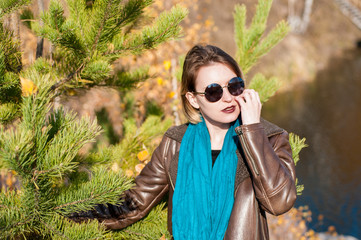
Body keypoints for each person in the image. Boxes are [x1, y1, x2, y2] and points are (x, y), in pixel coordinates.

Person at [70, 44, 297, 240]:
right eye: (214, 91)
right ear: (193, 99)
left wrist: (252, 132)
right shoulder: (175, 144)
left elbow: (280, 202)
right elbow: (134, 204)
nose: (228, 98)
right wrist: (65, 213)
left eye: (235, 86)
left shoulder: (269, 138)